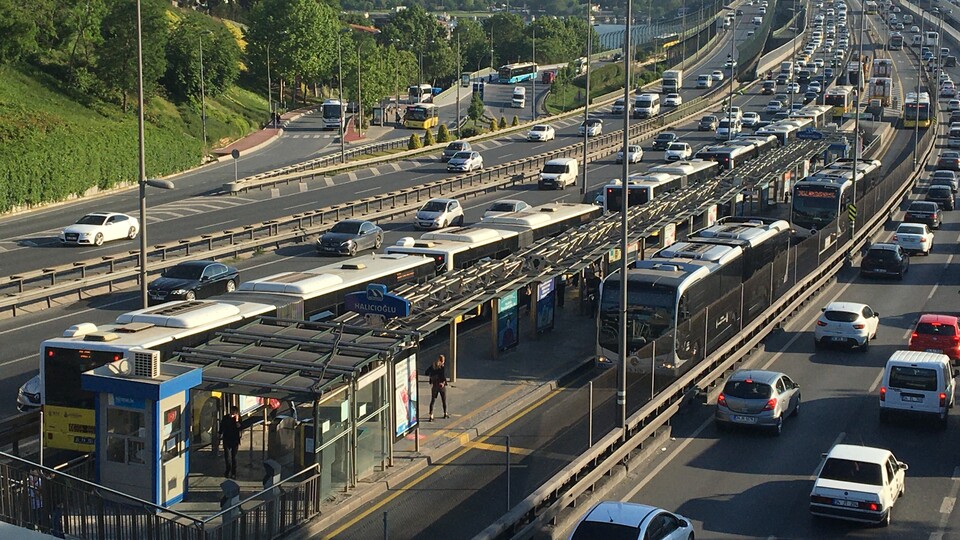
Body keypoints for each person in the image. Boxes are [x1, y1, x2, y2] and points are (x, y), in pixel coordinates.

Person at [219, 407, 242, 479]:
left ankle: (233, 472)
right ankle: (228, 470)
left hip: (234, 440)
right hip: (227, 439)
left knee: (234, 457)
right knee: (227, 456)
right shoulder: (226, 418)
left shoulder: (238, 419)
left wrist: (237, 420)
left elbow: (240, 427)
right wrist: (220, 434)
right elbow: (222, 426)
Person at [425, 355, 448, 421]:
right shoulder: (441, 367)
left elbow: (426, 372)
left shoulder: (433, 365)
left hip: (434, 385)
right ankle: (445, 413)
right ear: (442, 361)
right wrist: (443, 382)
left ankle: (431, 415)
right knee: (444, 400)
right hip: (441, 386)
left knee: (433, 400)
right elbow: (442, 376)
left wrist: (432, 376)